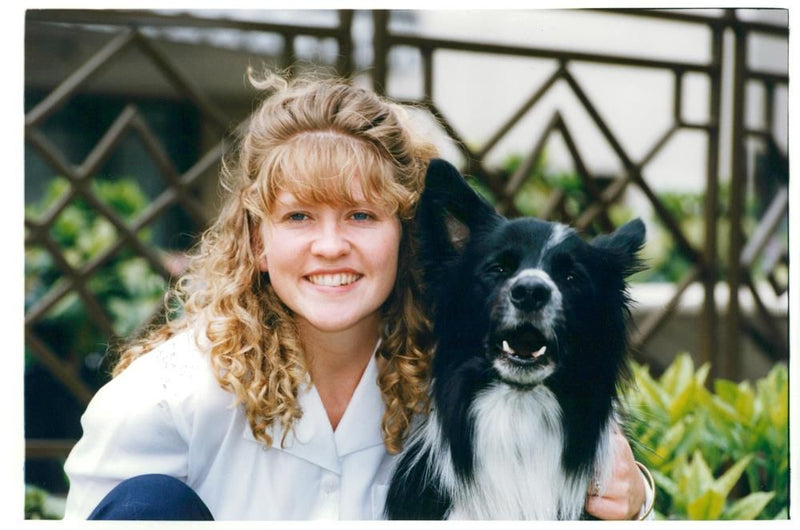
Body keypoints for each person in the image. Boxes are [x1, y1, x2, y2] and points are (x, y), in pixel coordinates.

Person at [62, 71, 651, 520]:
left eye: (361, 215)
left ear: (406, 237)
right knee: (149, 503)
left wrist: (634, 491)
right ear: (257, 242)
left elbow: (563, 433)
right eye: (298, 217)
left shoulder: (456, 370)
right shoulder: (165, 396)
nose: (330, 245)